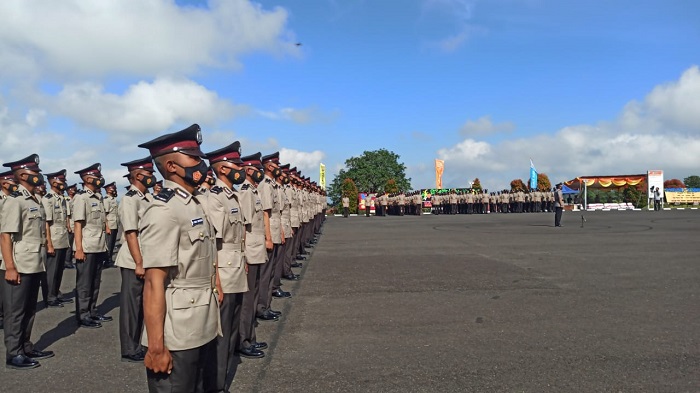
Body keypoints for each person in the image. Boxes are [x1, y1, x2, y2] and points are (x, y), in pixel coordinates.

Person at [137, 124, 222, 392]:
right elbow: (154, 283)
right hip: (178, 332)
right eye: (194, 158)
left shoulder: (193, 203)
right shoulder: (164, 210)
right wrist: (157, 347)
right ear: (172, 166)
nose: (201, 164)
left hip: (203, 323)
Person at [1, 154, 55, 370]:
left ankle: (25, 346)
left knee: (30, 309)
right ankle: (13, 354)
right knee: (16, 311)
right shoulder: (16, 201)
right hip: (20, 264)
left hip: (34, 262)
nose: (39, 177)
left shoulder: (35, 200)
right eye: (35, 173)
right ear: (23, 175)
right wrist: (10, 267)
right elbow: (5, 236)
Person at [204, 141, 250, 391]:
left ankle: (222, 378)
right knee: (221, 333)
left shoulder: (232, 195)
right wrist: (216, 279)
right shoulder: (216, 198)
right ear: (222, 169)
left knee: (231, 326)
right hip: (223, 269)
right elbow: (214, 243)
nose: (240, 169)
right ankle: (217, 384)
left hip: (235, 267)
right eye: (236, 165)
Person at [115, 156, 156, 363]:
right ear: (138, 175)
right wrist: (139, 262)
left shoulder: (147, 197)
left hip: (145, 257)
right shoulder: (130, 199)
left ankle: (137, 343)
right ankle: (129, 348)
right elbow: (131, 233)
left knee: (142, 304)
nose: (152, 177)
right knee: (132, 305)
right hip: (133, 260)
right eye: (149, 174)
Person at [238, 152, 270, 359]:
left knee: (254, 293)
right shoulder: (245, 192)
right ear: (249, 170)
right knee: (247, 299)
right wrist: (244, 255)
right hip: (250, 249)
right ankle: (243, 340)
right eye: (257, 169)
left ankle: (251, 336)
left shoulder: (253, 191)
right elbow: (243, 225)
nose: (260, 173)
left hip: (256, 249)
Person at [73, 163, 112, 328]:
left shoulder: (98, 197)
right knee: (84, 283)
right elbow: (78, 224)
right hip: (87, 247)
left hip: (98, 246)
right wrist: (79, 249)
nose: (100, 180)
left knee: (95, 282)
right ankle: (83, 315)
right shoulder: (82, 198)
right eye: (97, 177)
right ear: (88, 179)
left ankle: (92, 311)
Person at [41, 169, 72, 308]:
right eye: (61, 181)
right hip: (53, 239)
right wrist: (49, 244)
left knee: (59, 270)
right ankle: (50, 297)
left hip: (62, 239)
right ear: (53, 182)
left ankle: (56, 293)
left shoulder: (62, 199)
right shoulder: (47, 199)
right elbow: (46, 224)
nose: (63, 183)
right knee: (51, 272)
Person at [103, 182, 119, 267]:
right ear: (108, 190)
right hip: (110, 225)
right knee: (109, 244)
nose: (114, 190)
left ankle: (109, 260)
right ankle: (107, 261)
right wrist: (107, 227)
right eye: (113, 188)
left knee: (112, 244)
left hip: (115, 224)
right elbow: (105, 215)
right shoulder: (106, 200)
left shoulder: (113, 199)